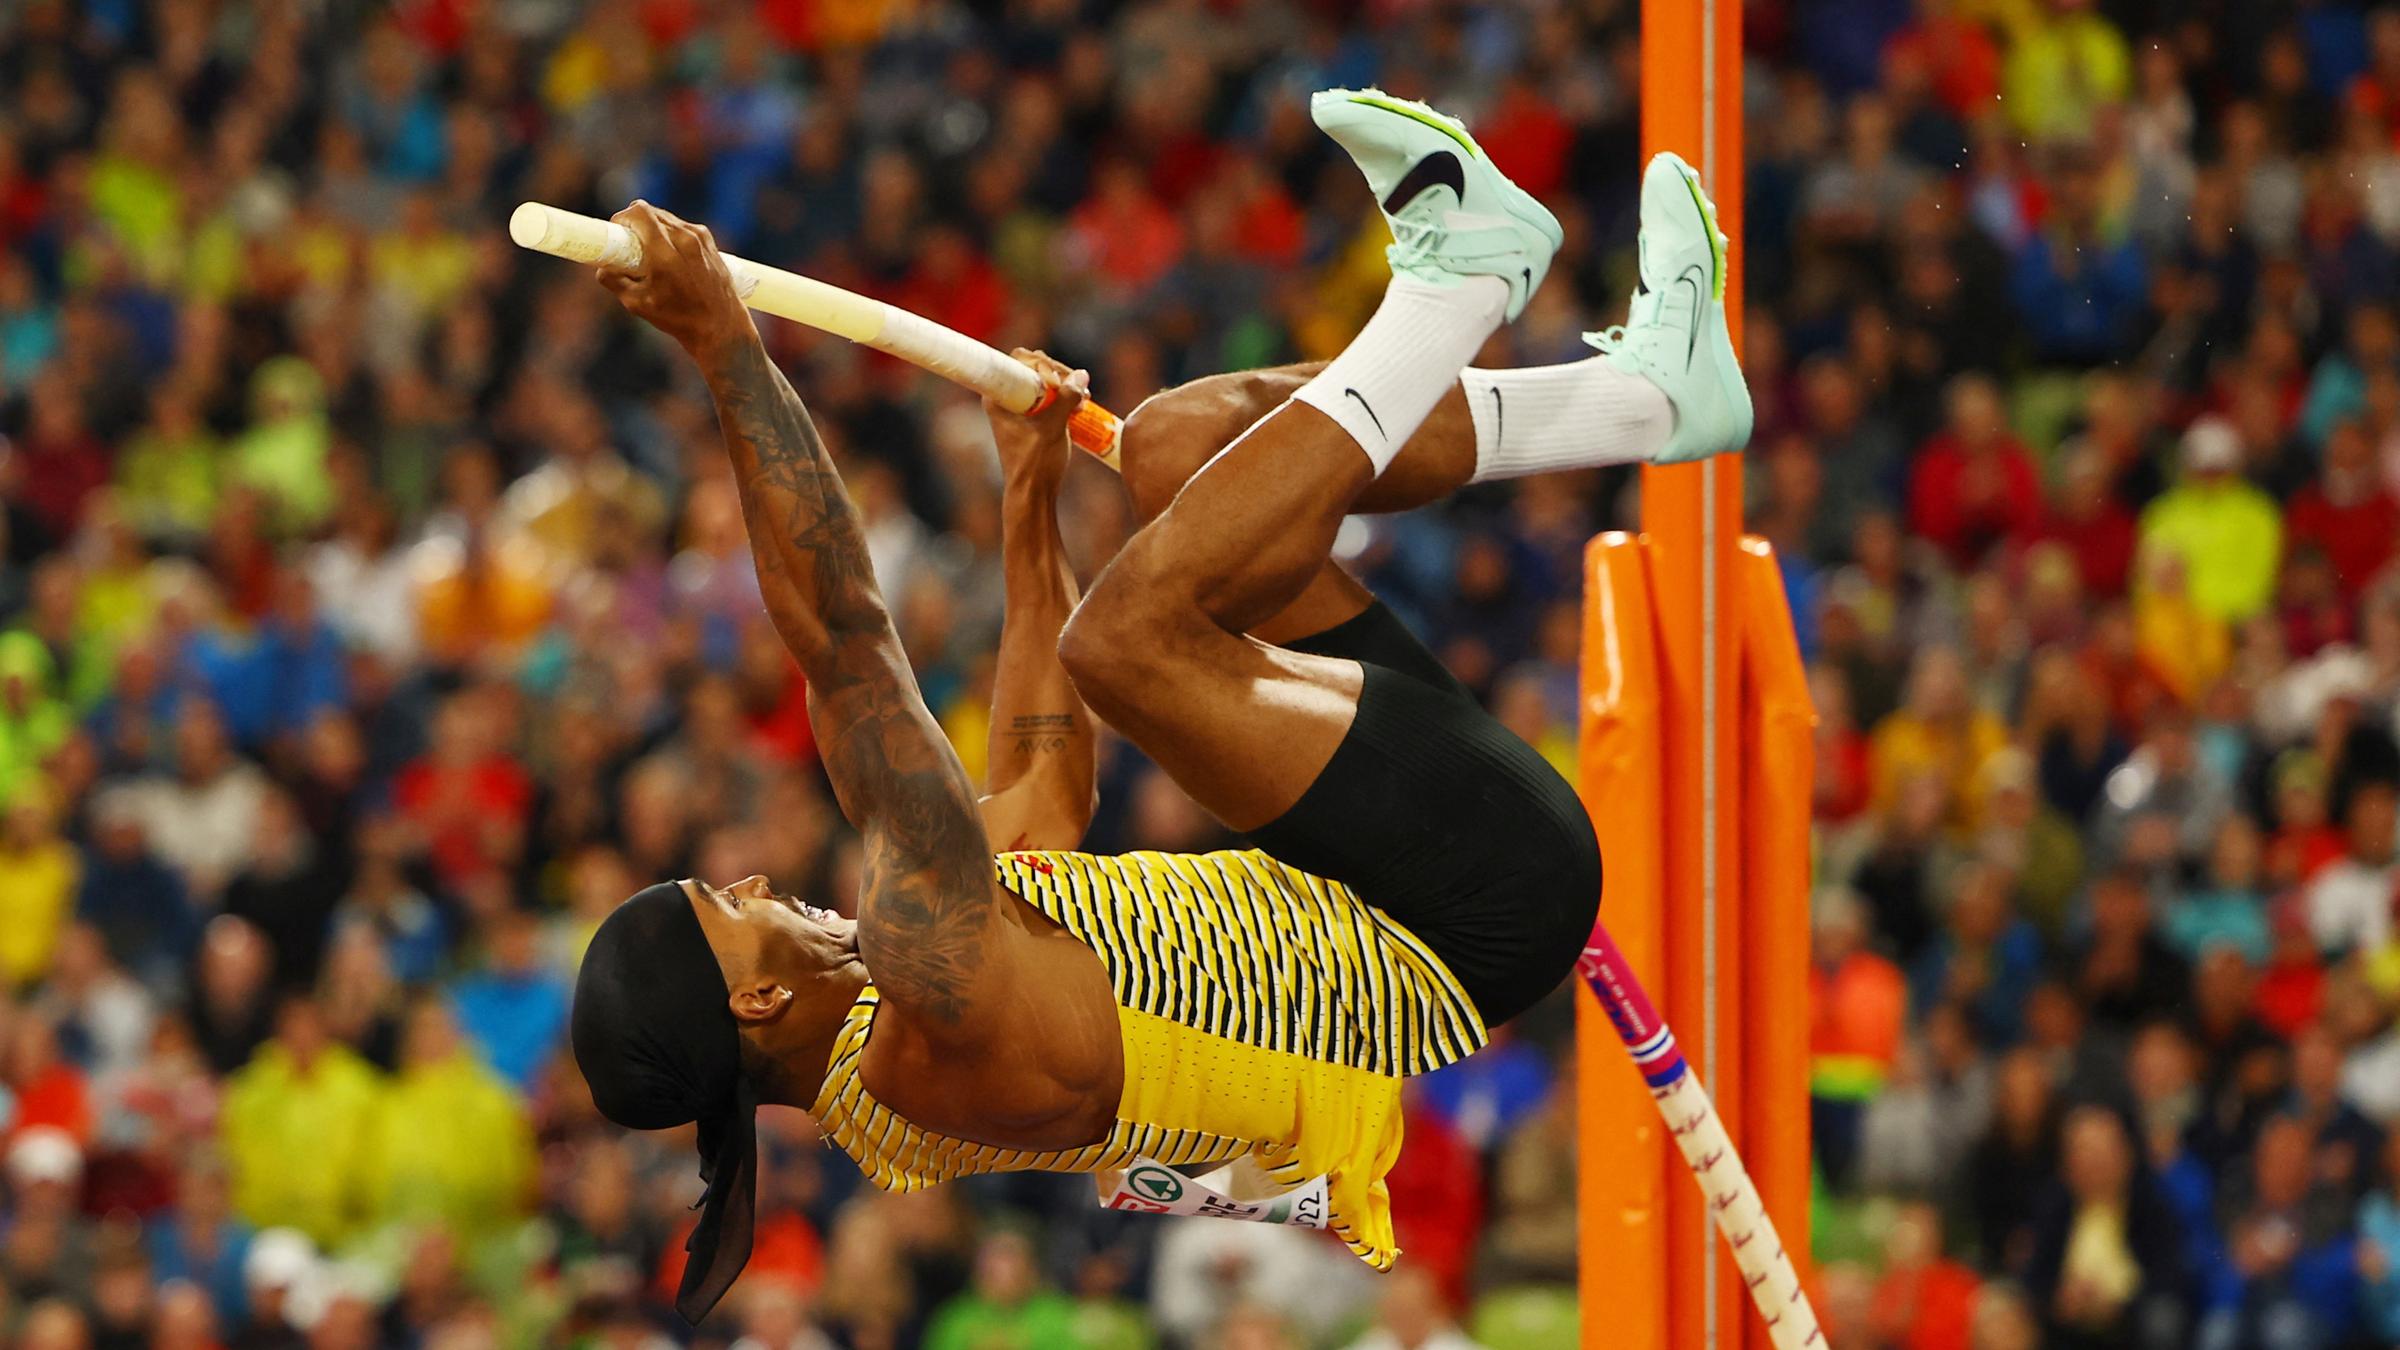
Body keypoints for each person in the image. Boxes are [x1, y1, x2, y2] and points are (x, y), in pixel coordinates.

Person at [570, 89, 1751, 1321]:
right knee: (1125, 645)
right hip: (1468, 906)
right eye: (727, 906)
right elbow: (847, 644)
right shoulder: (928, 1013)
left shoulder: (900, 1023)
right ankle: (1466, 284)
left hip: (1395, 856)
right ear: (753, 1002)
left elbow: (1040, 798)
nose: (753, 882)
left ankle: (1653, 400)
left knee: (1177, 449)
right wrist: (725, 348)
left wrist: (1029, 500)